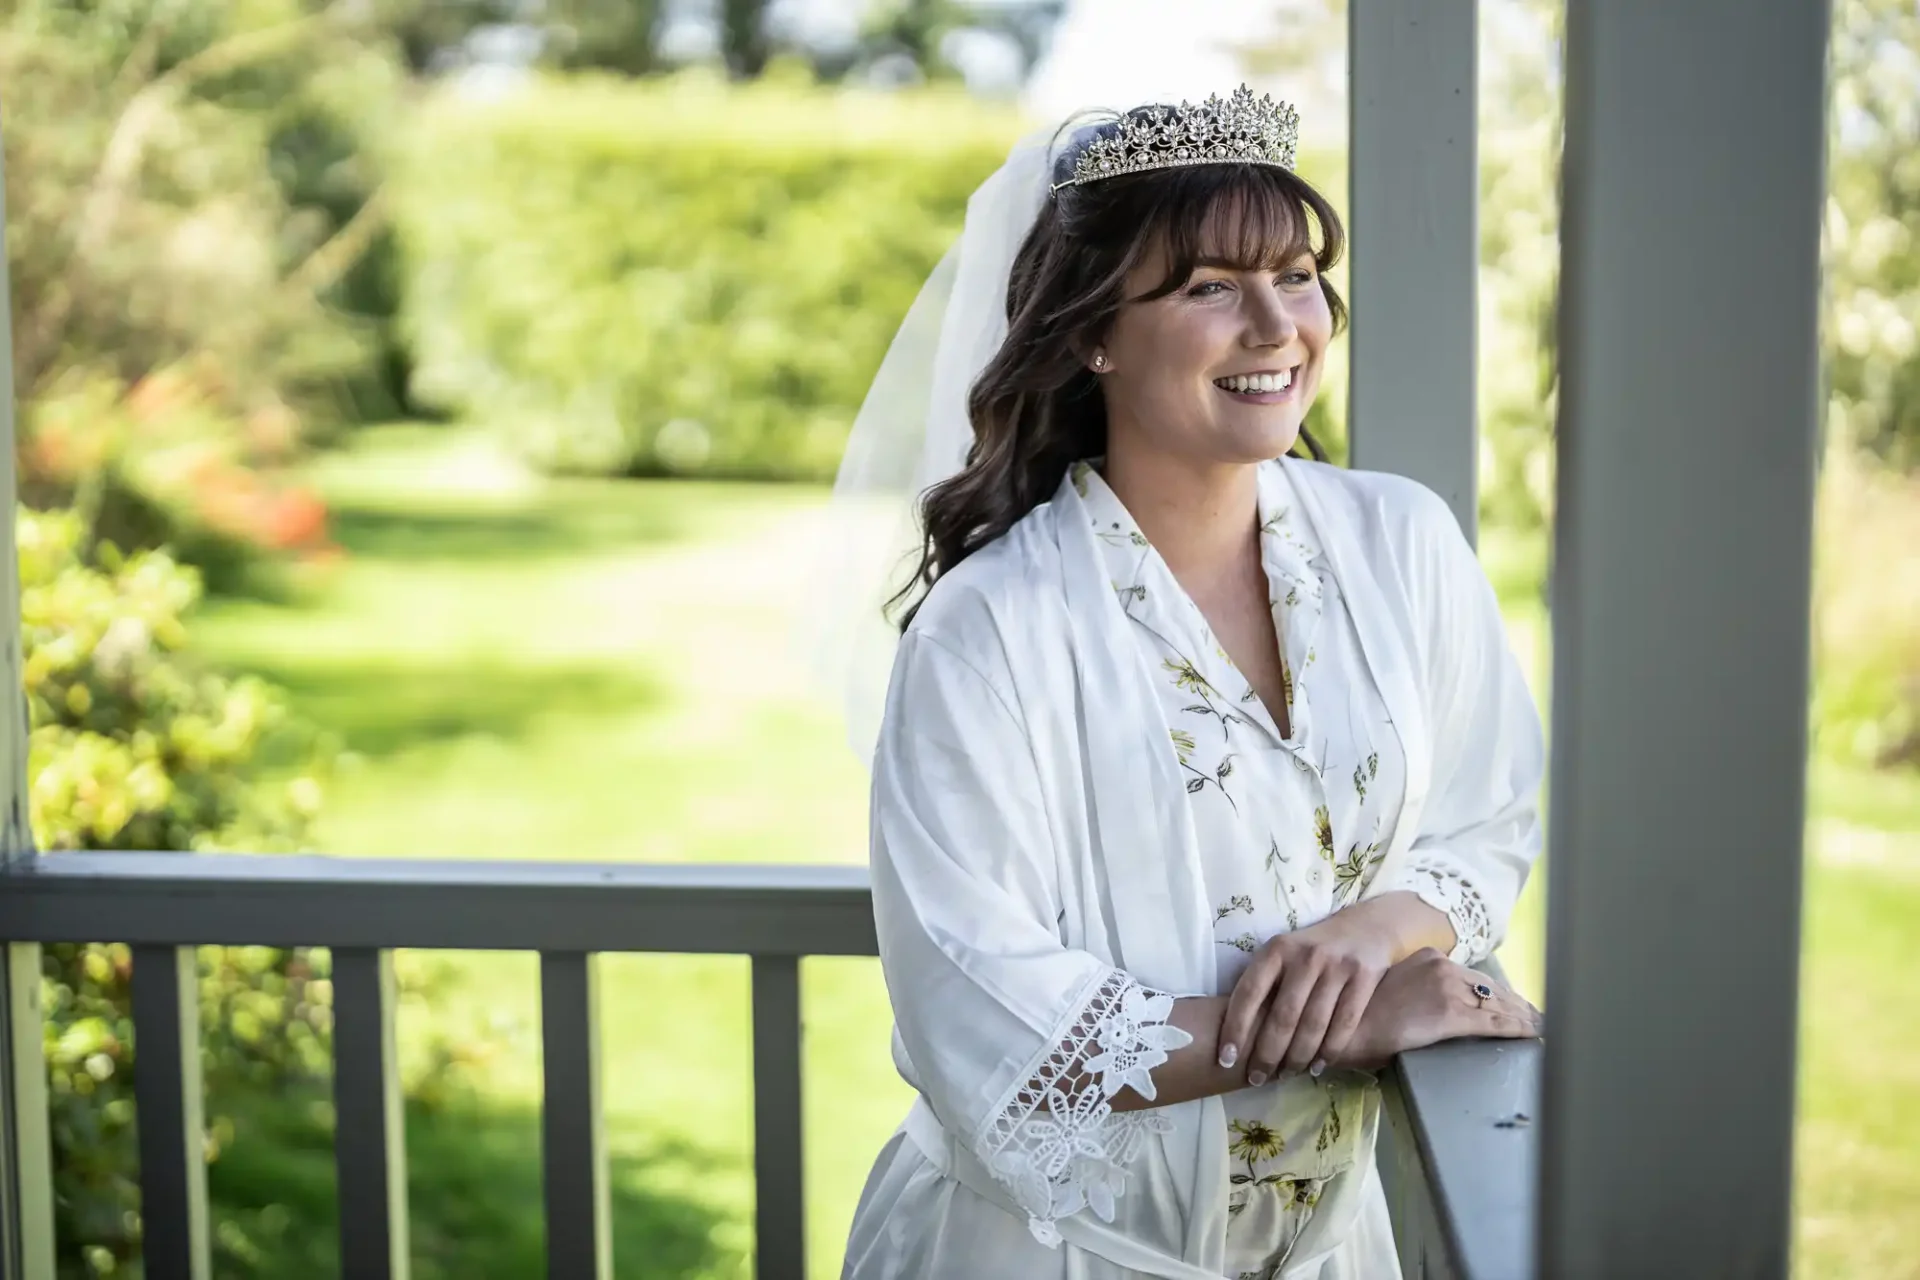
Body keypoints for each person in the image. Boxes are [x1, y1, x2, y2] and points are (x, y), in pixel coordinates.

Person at [820, 86, 1546, 1280]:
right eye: (1210, 287)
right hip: (1051, 1255)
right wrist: (1346, 1024)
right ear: (1093, 330)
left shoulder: (1404, 543)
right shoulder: (988, 630)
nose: (1277, 324)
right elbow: (977, 1005)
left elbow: (1490, 813)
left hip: (1332, 1253)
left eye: (1298, 275)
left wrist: (1393, 921)